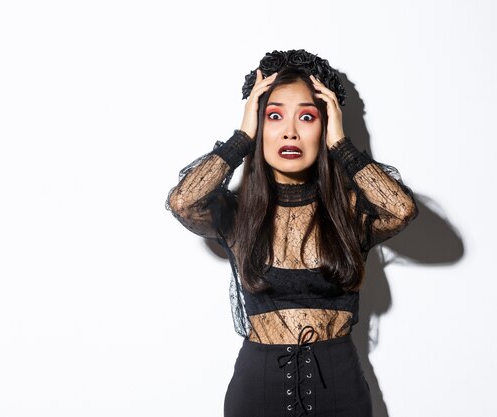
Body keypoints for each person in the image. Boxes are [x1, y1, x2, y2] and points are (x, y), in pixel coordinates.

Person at [166, 49, 418, 417]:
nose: (290, 131)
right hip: (258, 391)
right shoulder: (238, 214)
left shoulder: (348, 211)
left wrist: (341, 145)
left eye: (307, 116)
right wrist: (241, 137)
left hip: (340, 390)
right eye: (273, 116)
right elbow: (183, 202)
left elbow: (402, 209)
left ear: (325, 124)